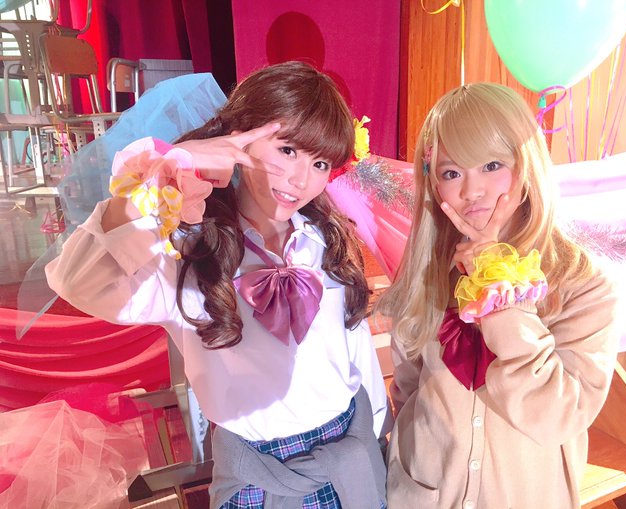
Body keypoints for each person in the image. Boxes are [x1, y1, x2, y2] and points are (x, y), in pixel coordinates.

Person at [46, 61, 389, 509]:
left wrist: (377, 438)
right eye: (287, 150)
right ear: (239, 136)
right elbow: (78, 280)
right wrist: (166, 173)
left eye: (319, 162)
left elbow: (356, 353)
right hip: (258, 476)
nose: (301, 180)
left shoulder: (326, 240)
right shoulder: (188, 253)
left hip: (349, 459)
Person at [377, 82, 619, 509]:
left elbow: (559, 417)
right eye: (451, 173)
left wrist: (499, 292)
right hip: (423, 493)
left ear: (526, 165)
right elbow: (410, 388)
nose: (471, 191)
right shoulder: (426, 271)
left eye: (491, 165)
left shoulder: (584, 284)